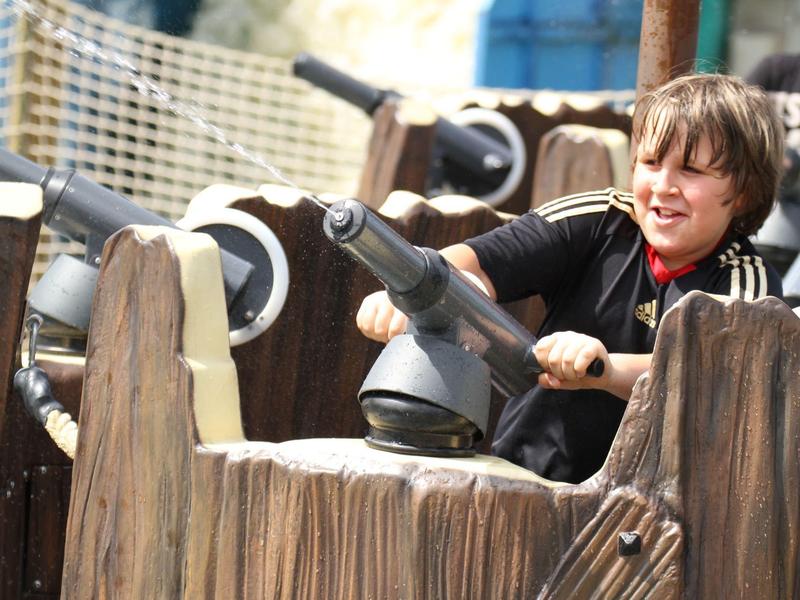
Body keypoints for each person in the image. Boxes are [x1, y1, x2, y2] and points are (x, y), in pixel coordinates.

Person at [356, 73, 785, 484]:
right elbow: (475, 262)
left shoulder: (746, 282)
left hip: (651, 516)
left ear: (743, 192)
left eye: (690, 170)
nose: (663, 185)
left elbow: (711, 377)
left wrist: (605, 369)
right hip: (524, 475)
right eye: (651, 162)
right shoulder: (599, 220)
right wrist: (416, 291)